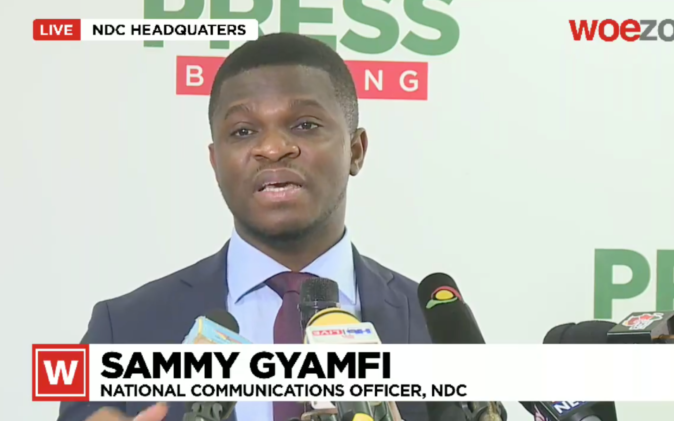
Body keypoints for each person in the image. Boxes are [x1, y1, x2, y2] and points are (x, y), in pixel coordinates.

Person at [58, 33, 431, 421]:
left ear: (356, 150)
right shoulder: (122, 330)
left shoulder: (438, 331)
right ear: (215, 162)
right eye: (243, 131)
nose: (273, 148)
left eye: (305, 124)